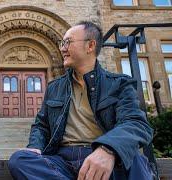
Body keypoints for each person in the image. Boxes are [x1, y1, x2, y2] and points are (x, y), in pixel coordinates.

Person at [8, 21, 154, 180]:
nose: (62, 48)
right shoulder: (54, 87)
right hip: (62, 161)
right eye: (62, 43)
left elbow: (136, 123)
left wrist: (108, 149)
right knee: (19, 160)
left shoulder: (120, 84)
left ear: (90, 46)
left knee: (135, 161)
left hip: (105, 158)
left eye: (67, 42)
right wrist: (35, 146)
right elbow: (41, 125)